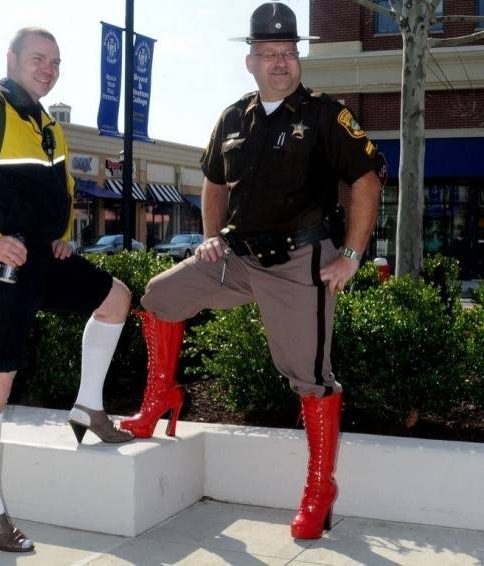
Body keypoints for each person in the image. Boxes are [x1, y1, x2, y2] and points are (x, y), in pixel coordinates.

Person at [120, 2, 382, 541]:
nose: (280, 62)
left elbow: (366, 180)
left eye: (288, 52)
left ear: (297, 58)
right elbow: (214, 182)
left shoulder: (325, 116)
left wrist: (351, 255)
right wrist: (211, 236)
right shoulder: (233, 118)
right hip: (236, 256)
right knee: (160, 296)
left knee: (310, 378)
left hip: (298, 262)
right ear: (250, 61)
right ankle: (161, 397)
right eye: (269, 53)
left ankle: (320, 489)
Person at [0, 27, 133, 553]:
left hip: (41, 257)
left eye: (55, 62)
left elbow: (62, 191)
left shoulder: (47, 125)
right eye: (38, 58)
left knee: (116, 298)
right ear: (11, 58)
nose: (47, 69)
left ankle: (88, 407)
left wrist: (60, 235)